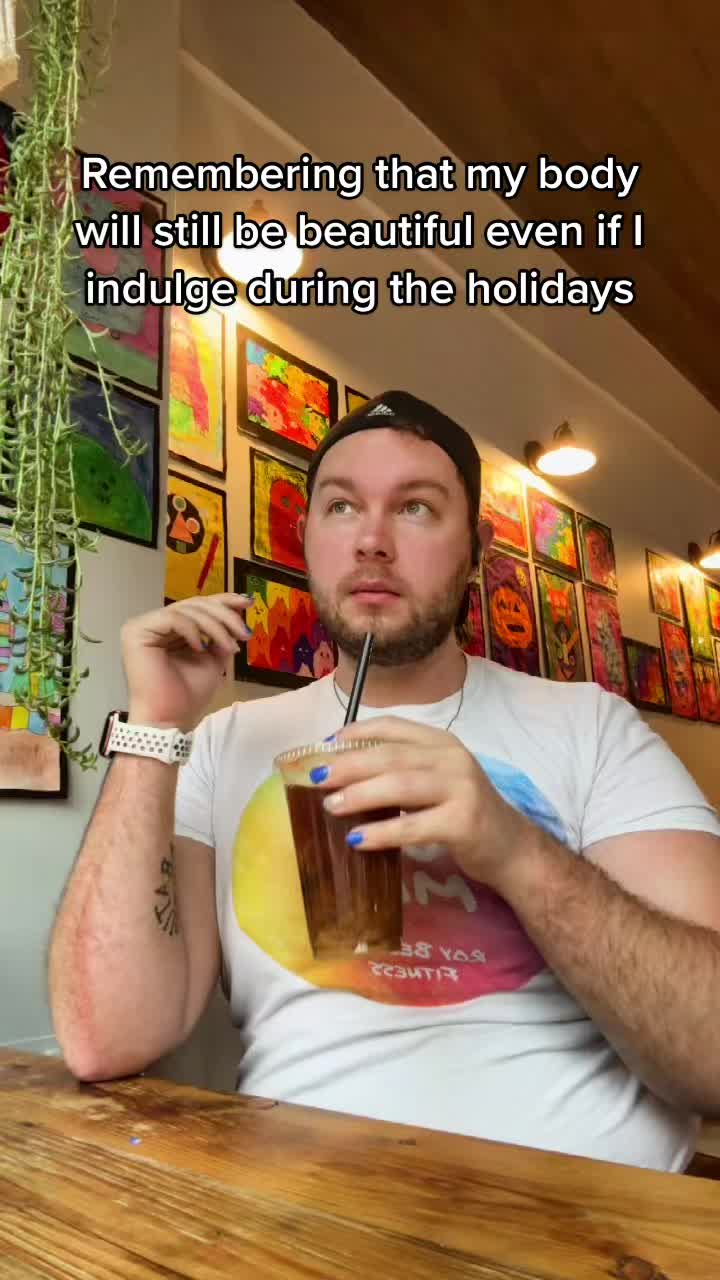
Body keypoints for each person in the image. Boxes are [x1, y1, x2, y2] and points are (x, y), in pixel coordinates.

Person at [49, 390, 720, 1172]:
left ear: (476, 550)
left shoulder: (592, 727)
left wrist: (514, 850)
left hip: (593, 1214)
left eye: (416, 508)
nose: (371, 541)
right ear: (307, 538)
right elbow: (103, 1040)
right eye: (341, 507)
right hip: (309, 1204)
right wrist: (153, 723)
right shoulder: (227, 742)